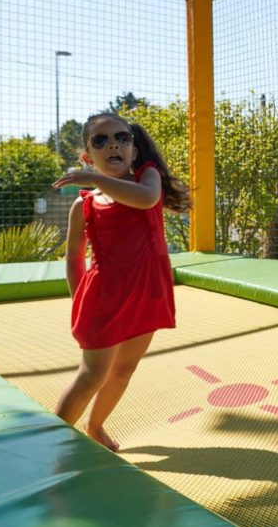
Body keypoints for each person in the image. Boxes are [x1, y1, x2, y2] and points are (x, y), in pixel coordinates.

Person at [52, 112, 191, 450]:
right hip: (104, 298)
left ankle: (95, 426)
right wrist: (78, 298)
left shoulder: (148, 177)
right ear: (87, 156)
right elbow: (73, 257)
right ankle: (52, 444)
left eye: (122, 138)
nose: (113, 143)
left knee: (124, 369)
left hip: (147, 292)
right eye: (100, 140)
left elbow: (145, 200)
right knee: (92, 376)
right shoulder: (83, 205)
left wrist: (94, 179)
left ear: (132, 149)